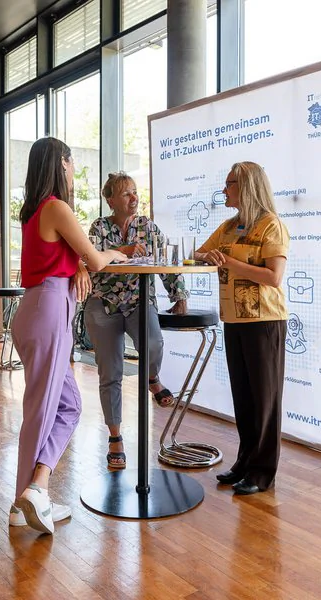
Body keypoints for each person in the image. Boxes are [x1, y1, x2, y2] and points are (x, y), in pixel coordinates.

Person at [10, 137, 127, 535]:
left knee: (68, 405)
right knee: (42, 411)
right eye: (72, 161)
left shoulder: (34, 211)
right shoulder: (57, 207)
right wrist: (114, 255)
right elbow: (96, 257)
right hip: (48, 309)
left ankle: (35, 489)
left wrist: (78, 267)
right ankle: (23, 498)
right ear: (61, 164)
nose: (75, 168)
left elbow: (68, 256)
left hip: (38, 306)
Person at [195, 161, 290, 496]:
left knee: (265, 400)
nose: (224, 190)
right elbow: (200, 252)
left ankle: (262, 473)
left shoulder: (271, 225)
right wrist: (210, 257)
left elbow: (273, 277)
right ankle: (244, 463)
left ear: (247, 186)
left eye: (229, 184)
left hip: (264, 322)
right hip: (234, 320)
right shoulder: (229, 226)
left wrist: (229, 262)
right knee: (244, 398)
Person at [85, 172, 189, 469]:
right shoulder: (99, 228)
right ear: (111, 200)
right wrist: (121, 251)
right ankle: (115, 436)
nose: (134, 198)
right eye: (127, 193)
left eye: (135, 192)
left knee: (154, 343)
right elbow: (90, 259)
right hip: (102, 304)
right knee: (111, 372)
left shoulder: (148, 227)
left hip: (139, 302)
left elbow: (166, 263)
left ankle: (151, 378)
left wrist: (178, 293)